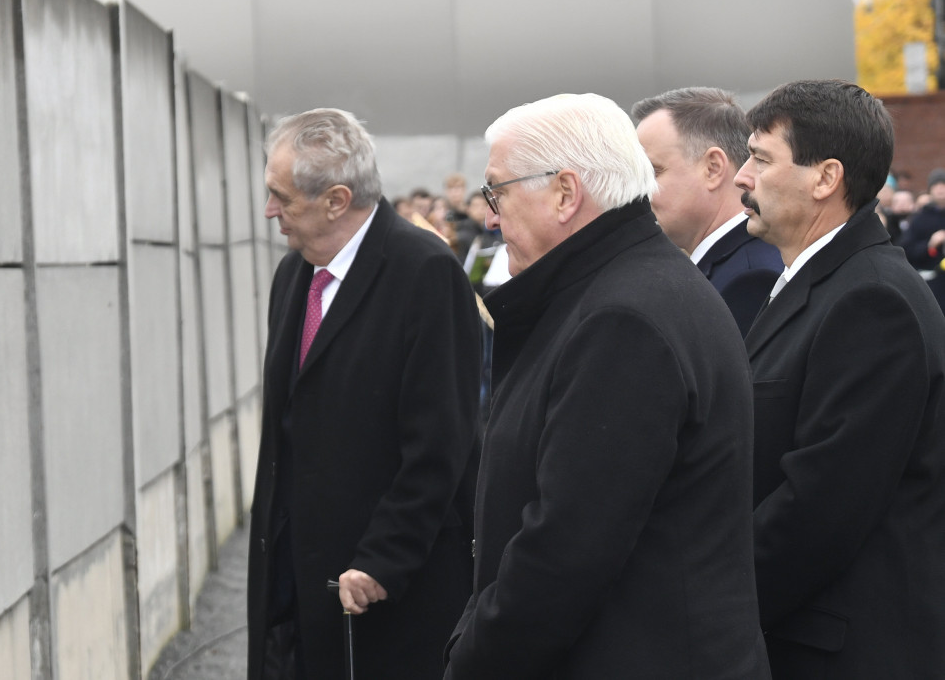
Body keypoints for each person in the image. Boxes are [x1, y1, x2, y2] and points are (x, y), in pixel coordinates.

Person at [444, 93, 769, 679]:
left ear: (566, 193)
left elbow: (564, 554)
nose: (489, 216)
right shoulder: (629, 289)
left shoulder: (624, 318)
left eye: (499, 192)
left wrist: (471, 660)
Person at [248, 108, 481, 680]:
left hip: (383, 591)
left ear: (335, 199)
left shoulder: (423, 271)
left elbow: (441, 441)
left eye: (282, 197)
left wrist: (384, 558)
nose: (270, 211)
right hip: (298, 583)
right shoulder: (294, 274)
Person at [735, 80, 945, 678]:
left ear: (825, 178)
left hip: (844, 652)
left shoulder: (873, 300)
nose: (742, 178)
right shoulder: (830, 283)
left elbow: (819, 509)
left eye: (761, 159)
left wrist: (712, 600)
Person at [633, 87, 782, 336]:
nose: (640, 194)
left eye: (652, 173)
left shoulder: (751, 277)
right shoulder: (738, 265)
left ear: (713, 168)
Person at [896, 167, 945, 308]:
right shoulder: (920, 218)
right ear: (930, 190)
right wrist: (930, 244)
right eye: (936, 186)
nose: (940, 189)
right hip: (932, 285)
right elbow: (906, 250)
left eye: (943, 185)